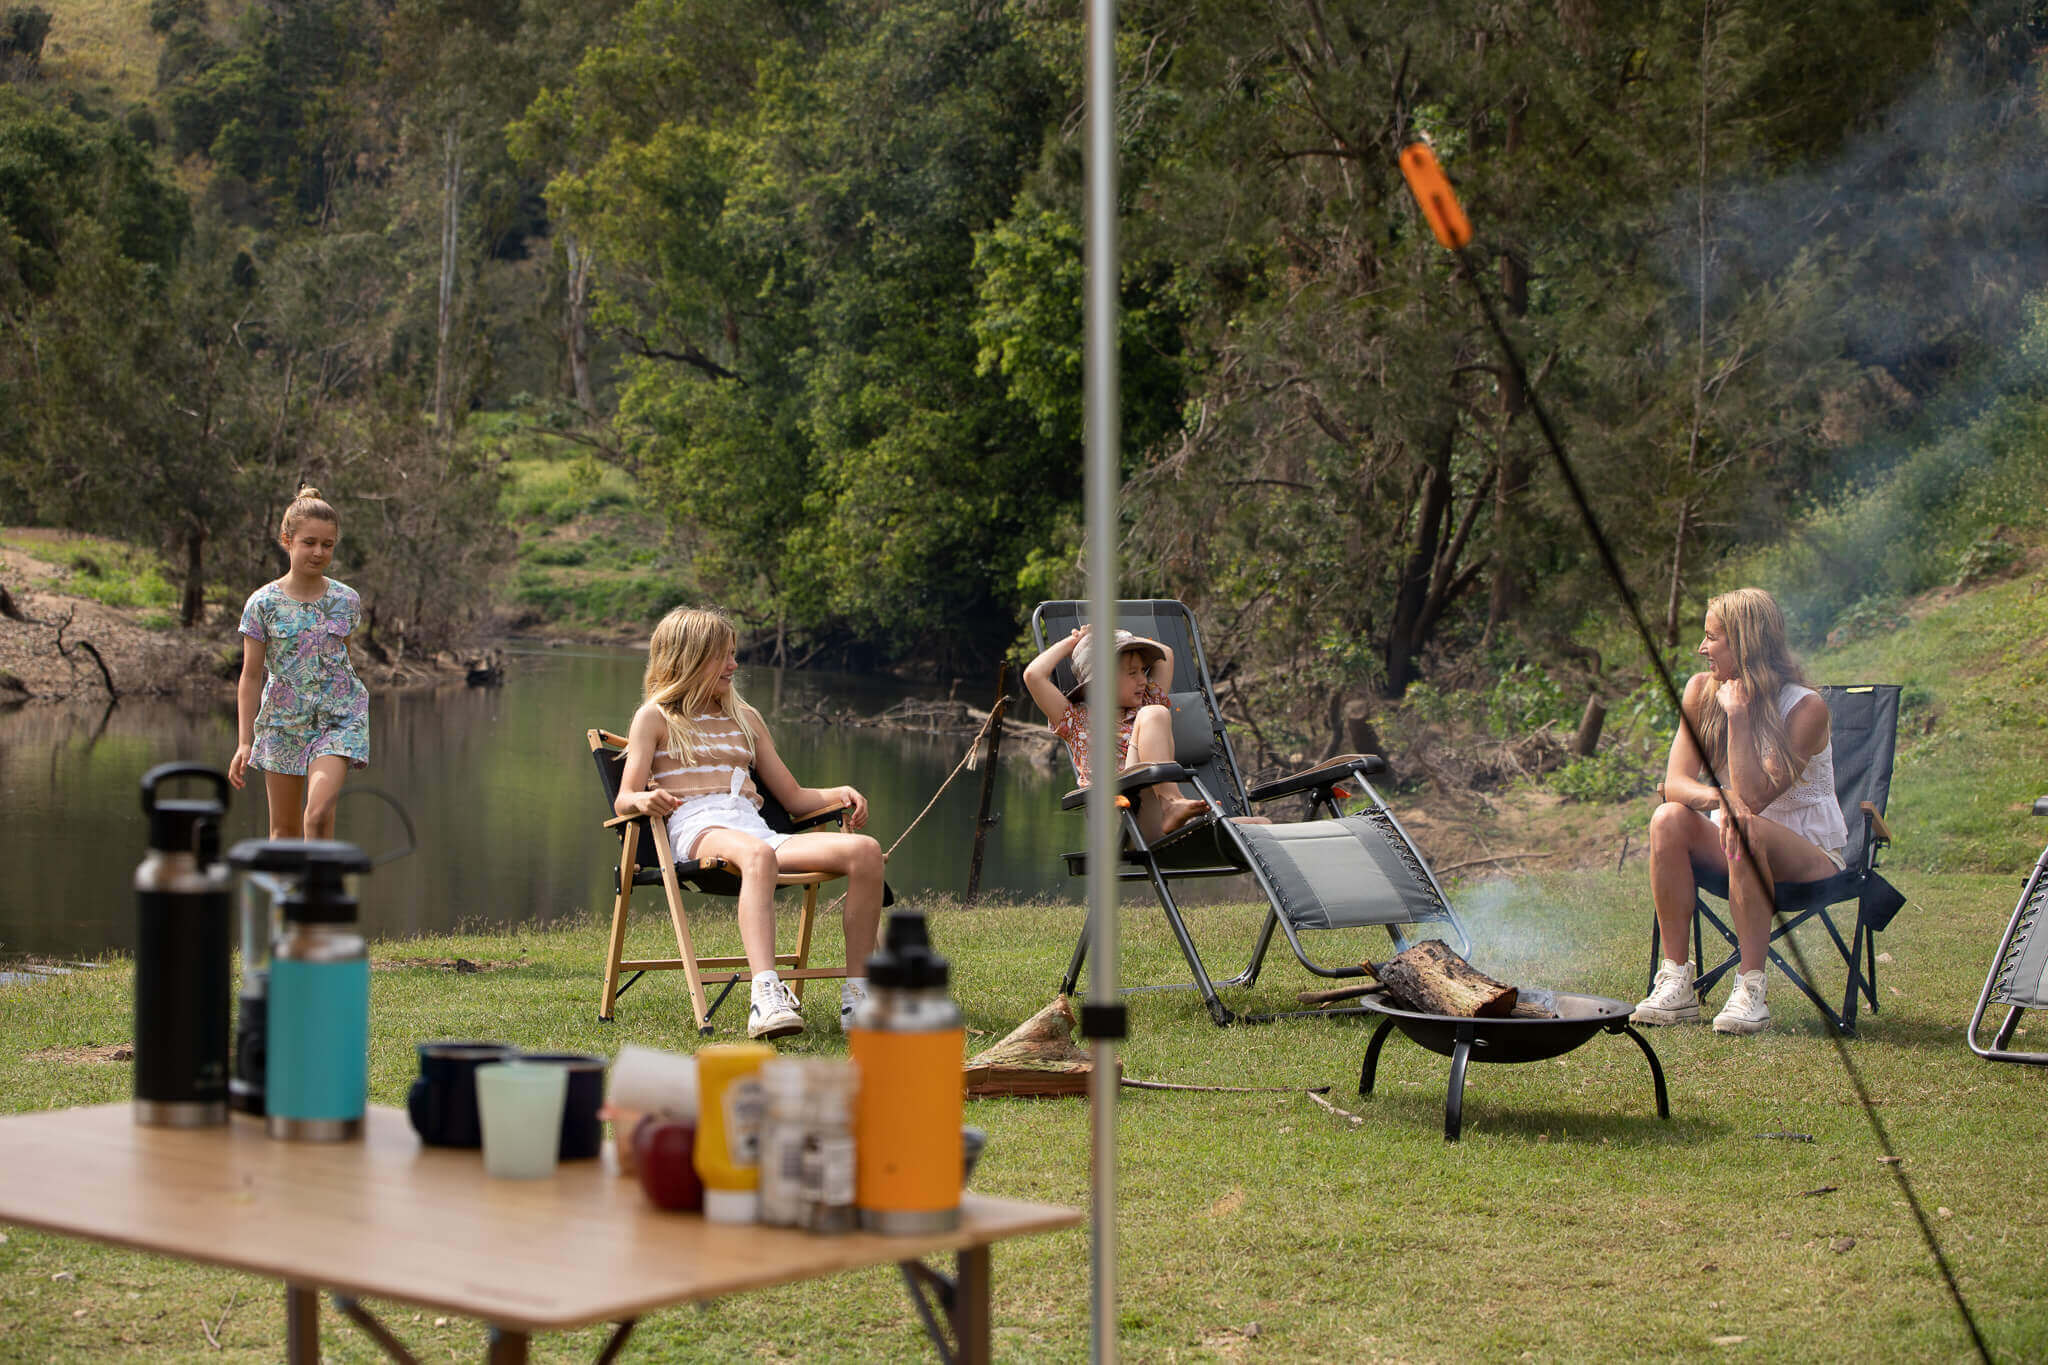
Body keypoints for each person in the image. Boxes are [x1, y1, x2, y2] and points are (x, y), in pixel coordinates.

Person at [614, 606, 885, 1041]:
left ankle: (860, 997)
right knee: (756, 854)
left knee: (865, 851)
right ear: (688, 657)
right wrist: (647, 798)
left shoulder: (745, 718)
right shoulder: (655, 718)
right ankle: (765, 995)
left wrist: (840, 793)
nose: (734, 665)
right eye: (723, 656)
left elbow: (794, 798)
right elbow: (625, 797)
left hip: (753, 828)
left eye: (733, 654)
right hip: (696, 828)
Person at [1631, 587, 1847, 1035]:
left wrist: (1739, 717)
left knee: (1745, 825)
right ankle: (1676, 981)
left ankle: (1750, 989)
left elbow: (1753, 798)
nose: (1701, 648)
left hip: (1808, 856)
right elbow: (1675, 784)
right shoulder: (1699, 690)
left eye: (1712, 637)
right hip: (1734, 846)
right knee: (1667, 817)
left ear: (1745, 643)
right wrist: (1716, 799)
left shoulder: (1806, 708)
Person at [228, 486, 369, 840]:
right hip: (283, 721)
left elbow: (343, 660)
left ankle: (319, 891)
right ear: (286, 540)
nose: (319, 552)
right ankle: (291, 893)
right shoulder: (263, 604)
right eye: (309, 542)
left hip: (338, 720)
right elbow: (249, 677)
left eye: (328, 544)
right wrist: (245, 742)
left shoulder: (345, 600)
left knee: (318, 814)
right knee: (284, 832)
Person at [1024, 625, 1210, 842]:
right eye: (1133, 673)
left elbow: (1165, 654)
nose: (1143, 680)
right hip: (1124, 819)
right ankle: (1171, 803)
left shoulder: (1146, 701)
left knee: (1257, 826)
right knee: (1153, 713)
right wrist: (1074, 641)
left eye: (1143, 671)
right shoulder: (1076, 719)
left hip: (1158, 817)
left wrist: (1120, 637)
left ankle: (1175, 806)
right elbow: (1033, 675)